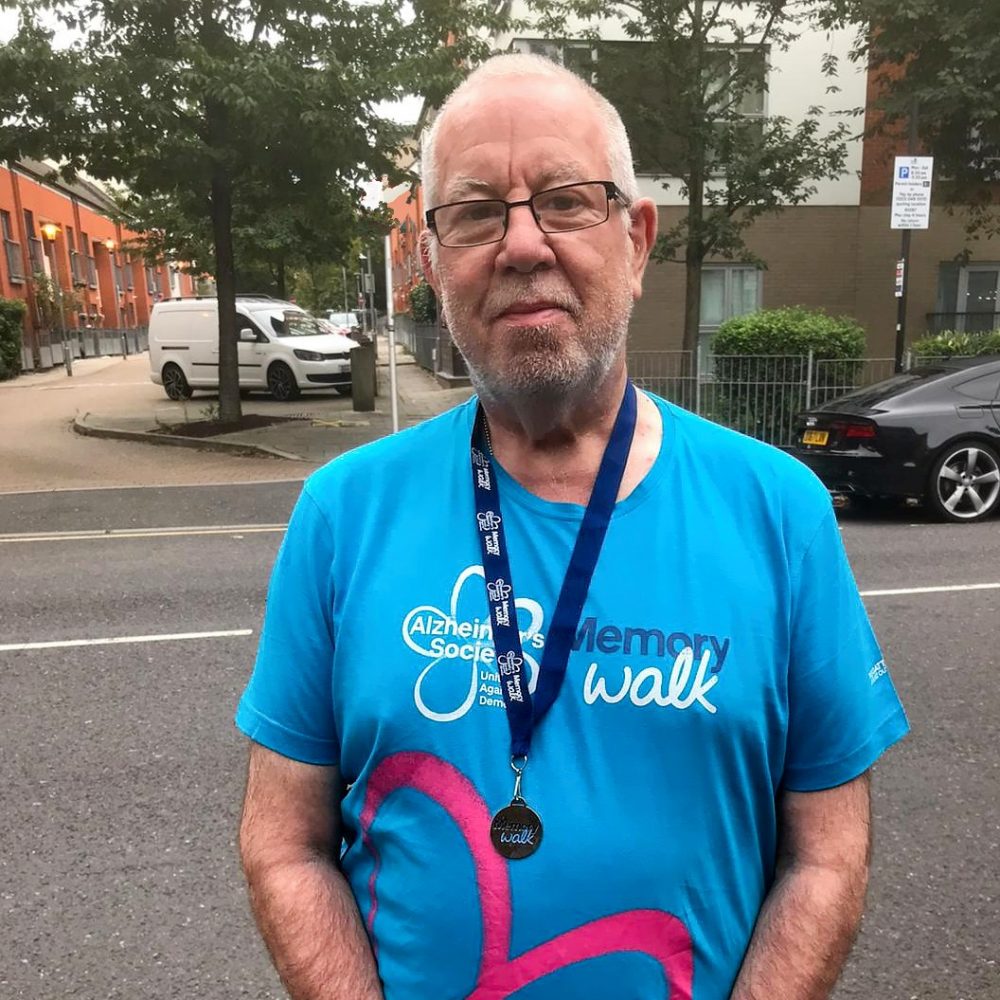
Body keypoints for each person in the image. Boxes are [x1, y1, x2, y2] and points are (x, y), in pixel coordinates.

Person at [235, 53, 908, 1000]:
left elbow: (828, 857)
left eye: (565, 199)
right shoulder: (343, 512)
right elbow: (283, 843)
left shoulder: (779, 508)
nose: (521, 245)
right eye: (474, 212)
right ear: (431, 261)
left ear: (636, 239)